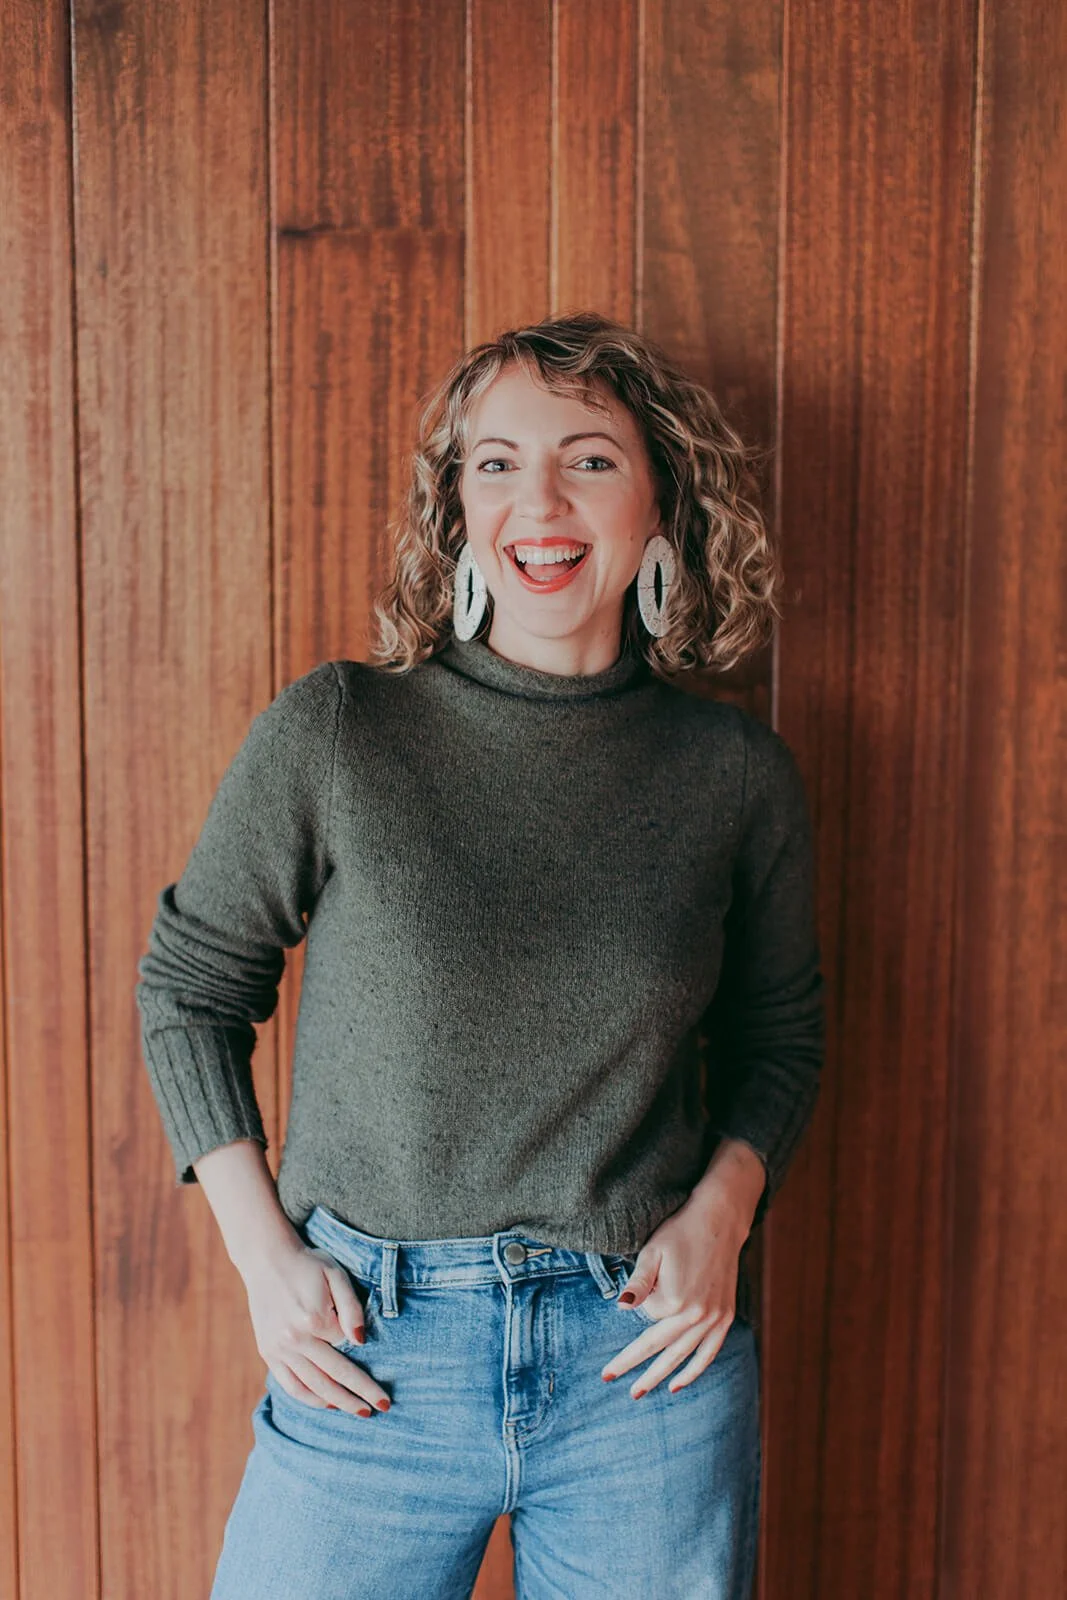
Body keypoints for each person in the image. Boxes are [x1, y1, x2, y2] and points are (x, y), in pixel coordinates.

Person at [135, 309, 825, 1599]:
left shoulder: (733, 775)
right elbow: (191, 988)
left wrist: (723, 1217)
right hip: (374, 1354)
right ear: (457, 508)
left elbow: (780, 1039)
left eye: (590, 458)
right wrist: (263, 1260)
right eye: (496, 463)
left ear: (663, 503)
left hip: (645, 1372)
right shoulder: (343, 732)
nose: (540, 500)